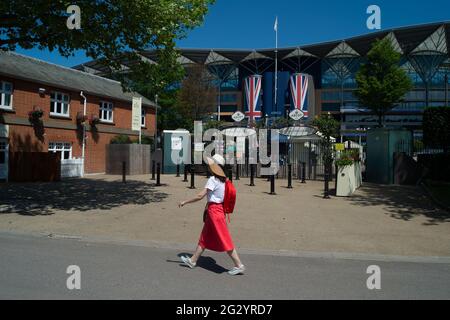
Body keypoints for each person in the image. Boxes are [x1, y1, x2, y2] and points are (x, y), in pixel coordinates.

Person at [178, 154, 246, 276]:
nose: (209, 167)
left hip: (215, 212)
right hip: (216, 211)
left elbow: (200, 196)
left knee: (225, 239)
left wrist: (185, 201)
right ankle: (193, 260)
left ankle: (239, 265)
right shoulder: (224, 180)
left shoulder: (212, 180)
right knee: (204, 237)